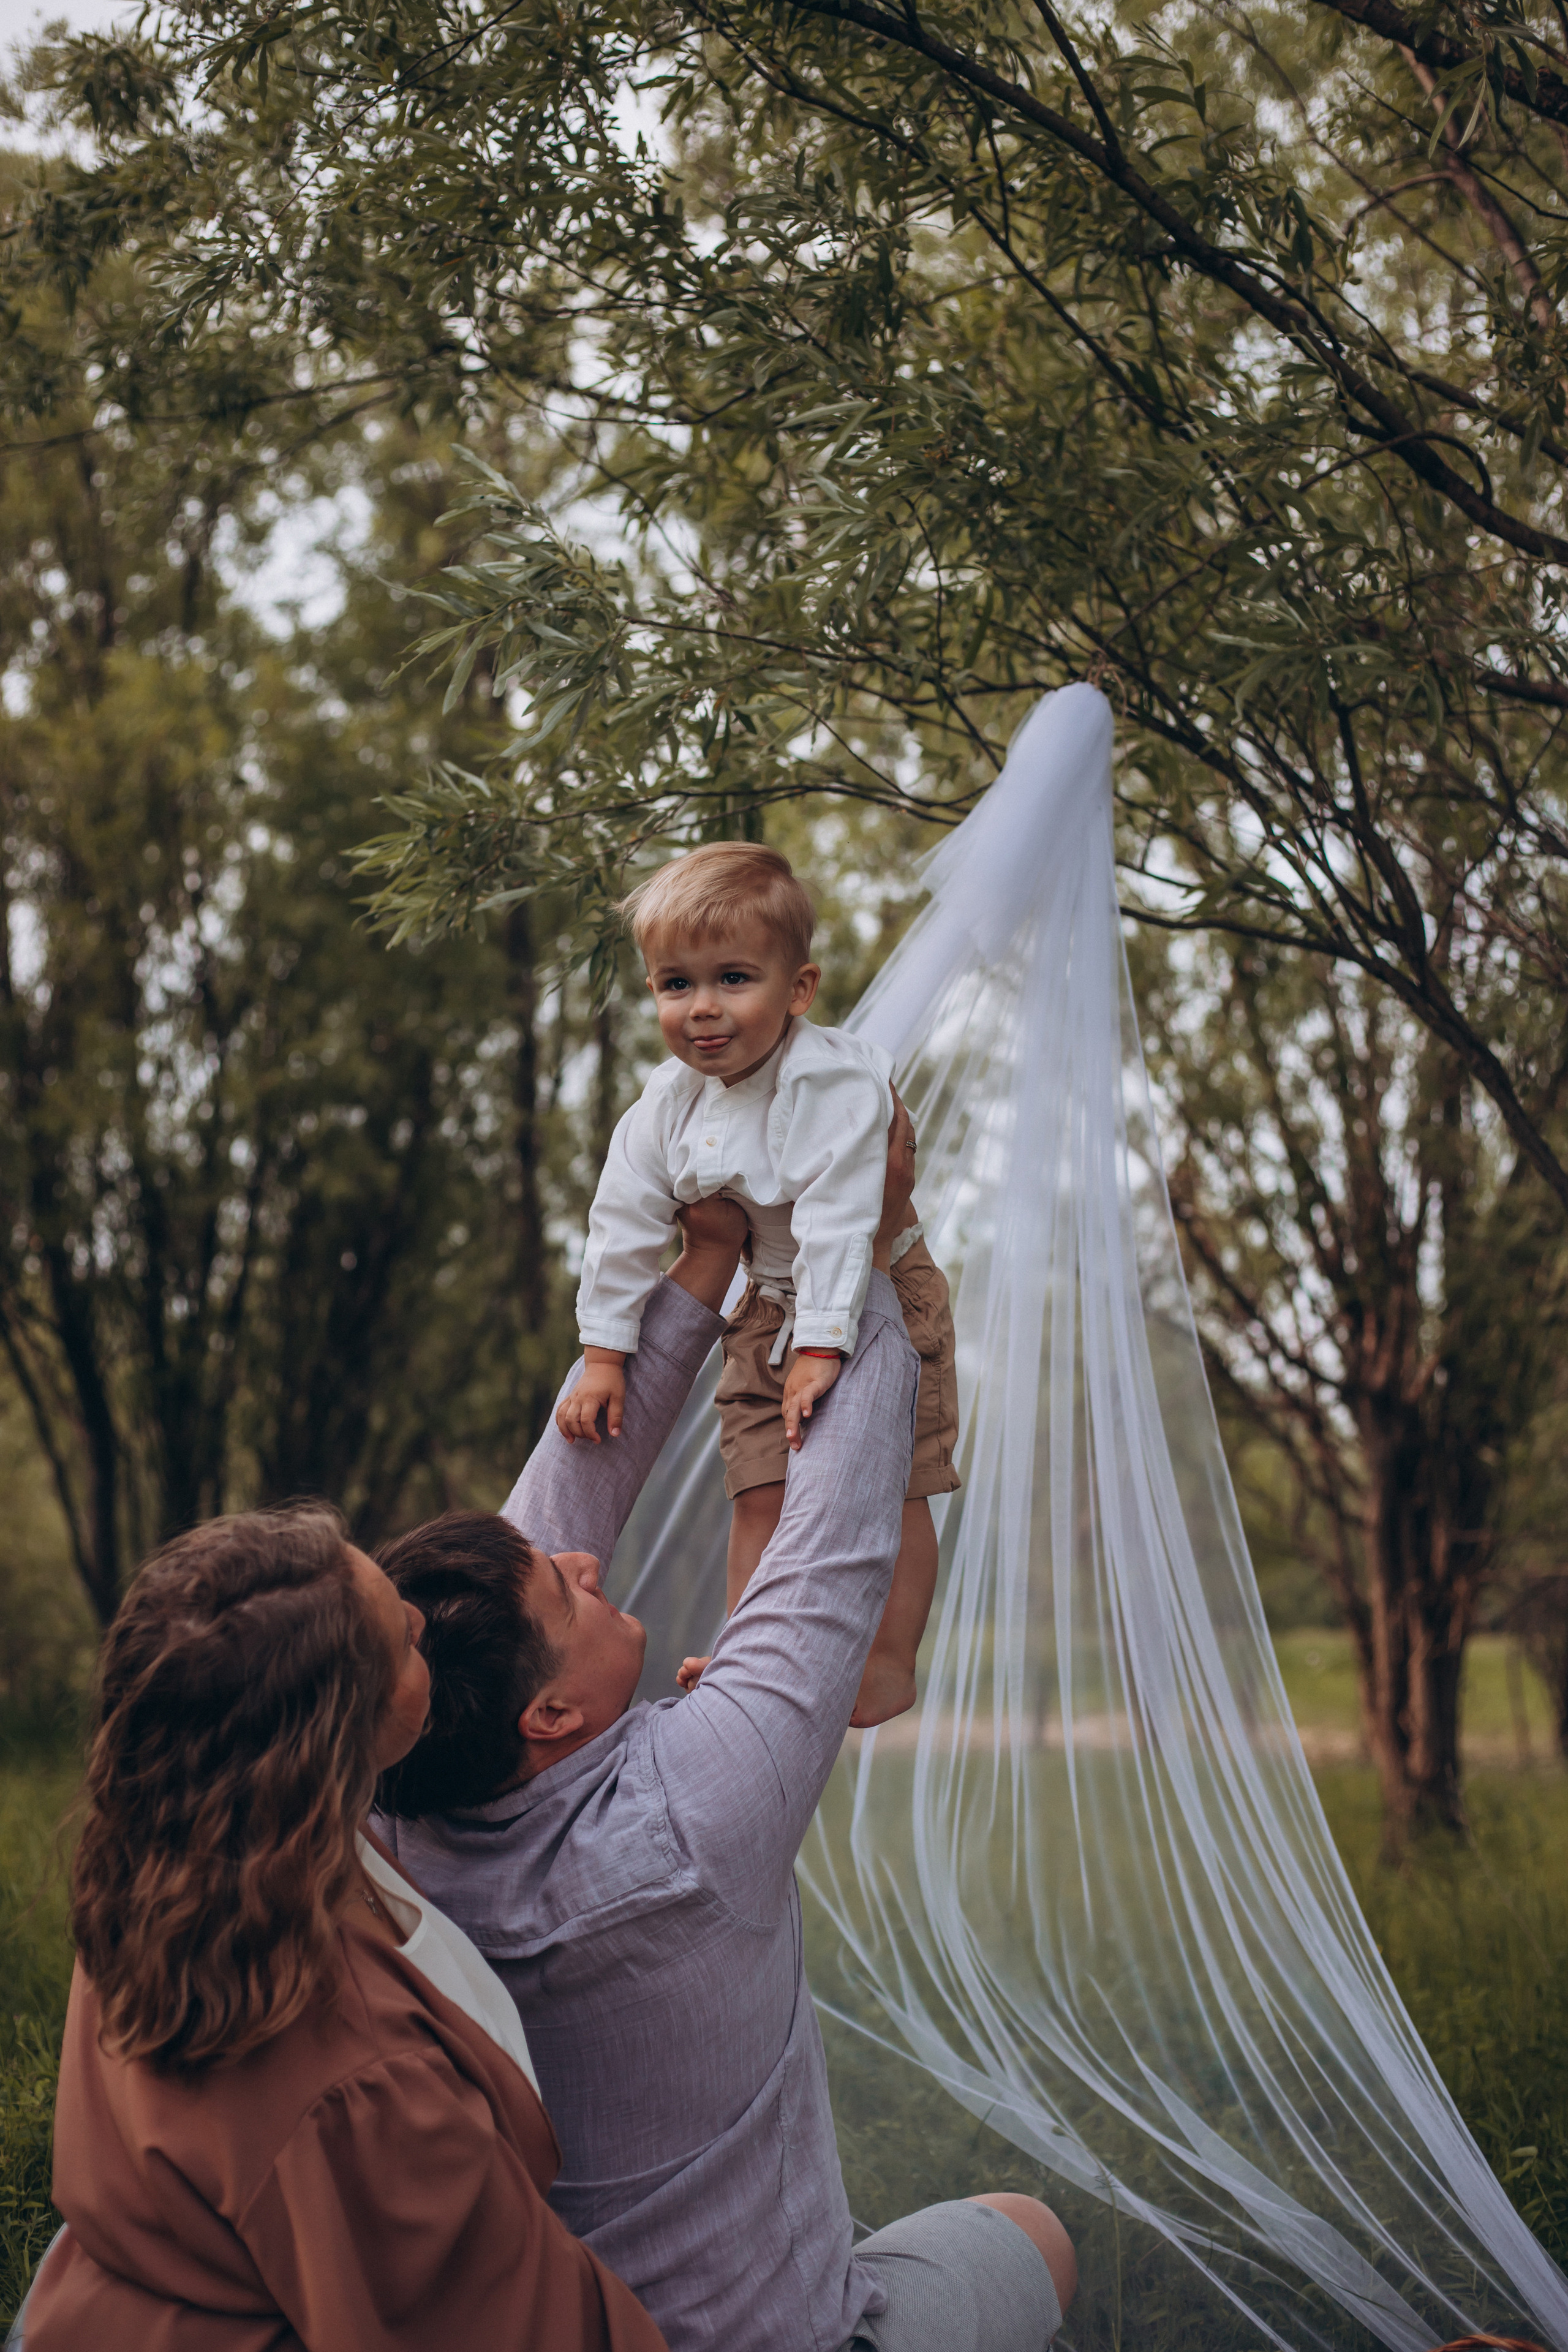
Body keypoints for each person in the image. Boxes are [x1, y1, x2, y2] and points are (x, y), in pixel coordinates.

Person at [374, 1140, 1077, 2352]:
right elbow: (842, 1504)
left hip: (549, 2331)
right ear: (549, 1716)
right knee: (1033, 2232)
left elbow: (571, 1484)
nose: (587, 1559)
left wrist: (702, 1267)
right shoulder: (697, 1806)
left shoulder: (391, 1815)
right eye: (564, 1591)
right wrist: (859, 1218)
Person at [24, 1499, 675, 2351]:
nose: (419, 1619)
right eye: (405, 1643)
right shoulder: (358, 2088)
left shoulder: (168, 1857)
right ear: (329, 1741)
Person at [557, 841, 959, 1727]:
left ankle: (887, 1660)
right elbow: (621, 1224)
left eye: (733, 978)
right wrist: (604, 1355)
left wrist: (823, 1343)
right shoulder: (665, 1106)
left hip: (876, 1285)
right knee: (759, 1486)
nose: (702, 1009)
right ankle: (751, 1658)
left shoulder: (832, 1077)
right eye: (675, 984)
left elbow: (844, 1213)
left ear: (799, 988)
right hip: (764, 1309)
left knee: (897, 1484)